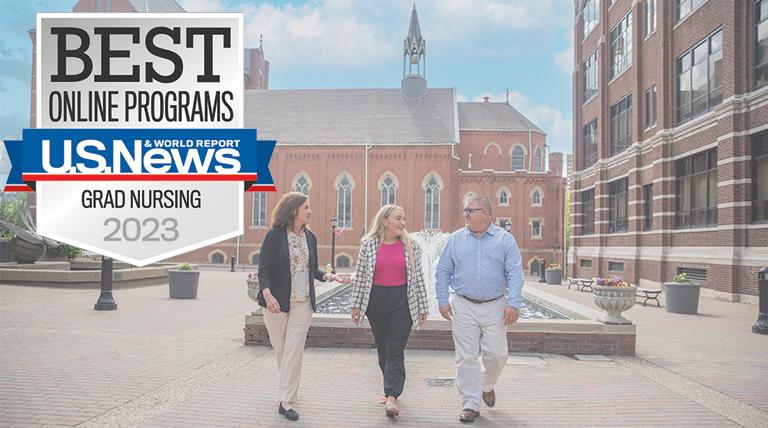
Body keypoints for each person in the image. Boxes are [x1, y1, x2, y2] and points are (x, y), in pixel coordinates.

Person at [257, 192, 351, 421]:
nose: (310, 211)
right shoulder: (274, 236)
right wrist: (268, 296)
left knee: (293, 350)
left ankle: (285, 400)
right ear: (293, 209)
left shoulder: (310, 237)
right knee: (280, 348)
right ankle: (288, 386)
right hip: (276, 303)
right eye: (306, 207)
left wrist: (331, 277)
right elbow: (264, 269)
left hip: (303, 302)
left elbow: (313, 270)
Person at [435, 193, 524, 423]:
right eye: (464, 210)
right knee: (466, 357)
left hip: (495, 306)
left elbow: (515, 273)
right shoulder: (455, 240)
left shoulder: (505, 240)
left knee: (497, 355)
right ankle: (470, 403)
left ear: (485, 214)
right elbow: (443, 271)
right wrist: (442, 300)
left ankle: (487, 385)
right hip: (463, 305)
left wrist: (513, 303)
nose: (465, 214)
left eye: (470, 210)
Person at [350, 205, 429, 418]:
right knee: (383, 348)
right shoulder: (368, 245)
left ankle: (392, 395)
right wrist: (356, 305)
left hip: (402, 303)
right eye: (398, 218)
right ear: (384, 220)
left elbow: (419, 278)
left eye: (404, 218)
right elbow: (360, 277)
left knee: (395, 347)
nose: (403, 222)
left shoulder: (412, 246)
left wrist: (423, 307)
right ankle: (390, 385)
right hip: (376, 302)